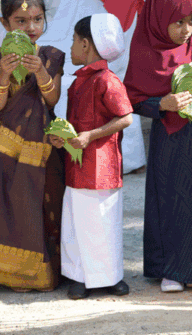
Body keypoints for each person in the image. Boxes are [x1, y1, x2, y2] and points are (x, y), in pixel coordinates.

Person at [123, 0, 192, 293]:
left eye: (191, 21)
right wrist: (161, 104)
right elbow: (133, 98)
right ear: (158, 19)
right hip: (169, 138)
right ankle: (170, 267)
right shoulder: (144, 50)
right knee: (171, 198)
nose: (186, 29)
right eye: (179, 22)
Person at [0, 0, 66, 291]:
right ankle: (7, 274)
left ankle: (43, 274)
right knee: (7, 208)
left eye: (37, 19)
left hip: (41, 148)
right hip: (3, 147)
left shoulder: (51, 55)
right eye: (21, 21)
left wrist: (40, 71)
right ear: (4, 23)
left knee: (40, 207)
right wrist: (2, 73)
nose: (31, 27)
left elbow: (52, 101)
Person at [50, 15, 133, 300]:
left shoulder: (107, 80)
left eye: (74, 41)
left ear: (85, 45)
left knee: (104, 221)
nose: (72, 47)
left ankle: (109, 276)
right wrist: (63, 136)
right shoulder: (79, 83)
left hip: (103, 165)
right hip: (77, 165)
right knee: (76, 221)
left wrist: (90, 136)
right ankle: (79, 276)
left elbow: (126, 118)